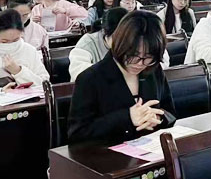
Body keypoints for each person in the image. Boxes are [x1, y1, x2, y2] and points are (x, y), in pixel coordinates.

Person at [68, 11, 177, 145]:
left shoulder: (154, 70)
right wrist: (127, 118)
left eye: (148, 57)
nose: (140, 63)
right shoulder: (90, 79)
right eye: (133, 55)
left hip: (151, 150)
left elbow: (170, 112)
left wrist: (157, 118)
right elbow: (77, 134)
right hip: (107, 154)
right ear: (120, 45)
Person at [70, 7, 128, 82]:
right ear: (105, 32)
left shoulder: (134, 40)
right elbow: (78, 71)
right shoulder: (88, 42)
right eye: (119, 38)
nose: (123, 43)